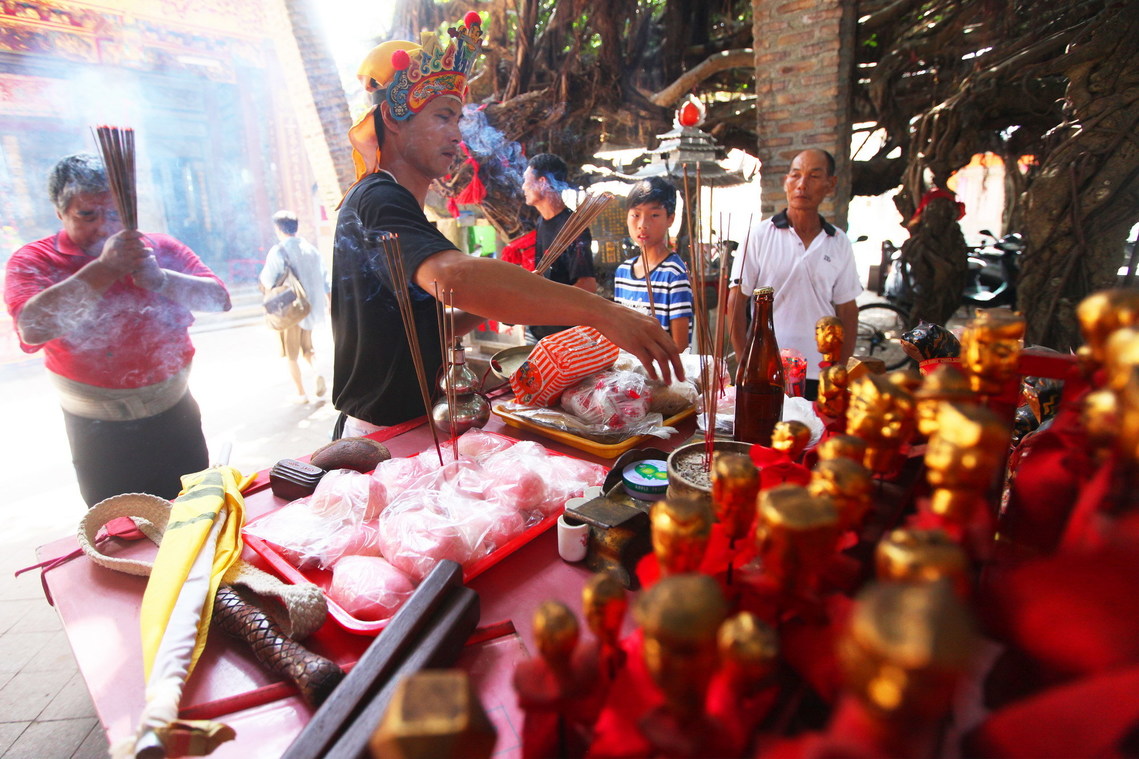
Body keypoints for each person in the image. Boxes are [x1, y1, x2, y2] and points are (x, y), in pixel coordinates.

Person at [331, 13, 682, 439]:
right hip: (382, 433)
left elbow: (419, 322)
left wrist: (512, 294)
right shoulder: (377, 198)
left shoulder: (396, 206)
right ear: (393, 118)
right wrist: (601, 312)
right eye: (443, 116)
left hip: (416, 420)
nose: (456, 135)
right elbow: (453, 276)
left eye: (459, 120)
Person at [4, 153, 231, 506]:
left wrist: (160, 278)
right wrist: (105, 269)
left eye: (113, 214)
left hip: (175, 414)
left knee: (193, 514)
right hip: (96, 430)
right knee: (119, 530)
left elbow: (219, 299)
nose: (104, 227)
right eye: (87, 215)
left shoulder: (157, 249)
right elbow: (32, 329)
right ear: (60, 212)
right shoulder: (35, 261)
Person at [727, 149, 861, 400]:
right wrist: (746, 360)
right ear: (786, 181)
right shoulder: (759, 236)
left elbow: (848, 310)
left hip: (820, 367)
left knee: (815, 435)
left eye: (813, 176)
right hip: (768, 367)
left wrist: (839, 368)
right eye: (795, 175)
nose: (802, 185)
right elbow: (736, 300)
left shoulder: (839, 241)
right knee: (768, 436)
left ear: (830, 184)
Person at [520, 153, 598, 342]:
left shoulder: (573, 227)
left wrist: (545, 301)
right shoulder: (541, 221)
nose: (523, 187)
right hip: (538, 328)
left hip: (563, 336)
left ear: (543, 182)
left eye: (526, 180)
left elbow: (587, 286)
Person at [612, 177, 693, 352]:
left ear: (670, 219)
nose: (642, 225)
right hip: (627, 372)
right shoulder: (622, 272)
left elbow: (680, 346)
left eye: (654, 215)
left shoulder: (674, 274)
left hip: (660, 373)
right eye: (635, 215)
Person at [260, 210, 330, 404]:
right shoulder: (311, 249)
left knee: (291, 354)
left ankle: (301, 393)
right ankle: (317, 373)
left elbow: (267, 280)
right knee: (308, 347)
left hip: (290, 309)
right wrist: (329, 301)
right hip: (310, 308)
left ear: (278, 228)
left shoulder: (279, 251)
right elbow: (325, 280)